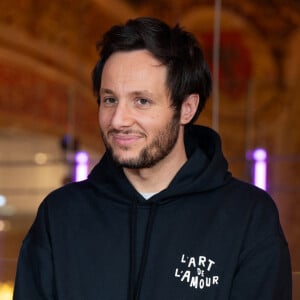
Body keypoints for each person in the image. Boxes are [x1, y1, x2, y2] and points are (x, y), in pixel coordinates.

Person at [13, 17, 292, 300]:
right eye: (110, 99)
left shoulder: (247, 218)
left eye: (141, 101)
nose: (119, 120)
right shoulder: (60, 215)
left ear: (186, 108)